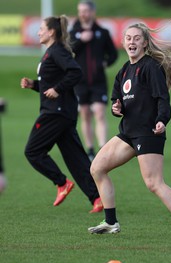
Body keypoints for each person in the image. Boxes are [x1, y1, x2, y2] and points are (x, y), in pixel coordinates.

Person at [87, 22, 171, 242]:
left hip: (148, 132)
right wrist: (116, 108)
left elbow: (162, 99)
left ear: (145, 43)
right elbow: (116, 102)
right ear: (123, 42)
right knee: (97, 168)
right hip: (128, 133)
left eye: (137, 38)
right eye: (128, 38)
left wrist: (161, 120)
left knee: (153, 183)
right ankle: (111, 222)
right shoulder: (123, 71)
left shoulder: (151, 67)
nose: (132, 42)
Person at [20, 15, 103, 213]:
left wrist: (57, 88)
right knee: (76, 159)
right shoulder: (51, 52)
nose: (38, 32)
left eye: (41, 28)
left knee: (32, 151)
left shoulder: (56, 51)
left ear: (51, 32)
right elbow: (50, 84)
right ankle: (98, 198)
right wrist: (34, 85)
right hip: (63, 112)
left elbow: (75, 72)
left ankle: (61, 183)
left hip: (55, 113)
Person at [70, 0, 118, 161]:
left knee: (99, 112)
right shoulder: (73, 32)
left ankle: (103, 148)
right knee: (84, 114)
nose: (83, 13)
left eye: (85, 10)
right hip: (80, 81)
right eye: (80, 10)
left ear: (92, 12)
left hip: (98, 81)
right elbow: (68, 53)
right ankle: (90, 149)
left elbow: (113, 54)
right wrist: (81, 40)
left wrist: (105, 63)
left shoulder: (102, 32)